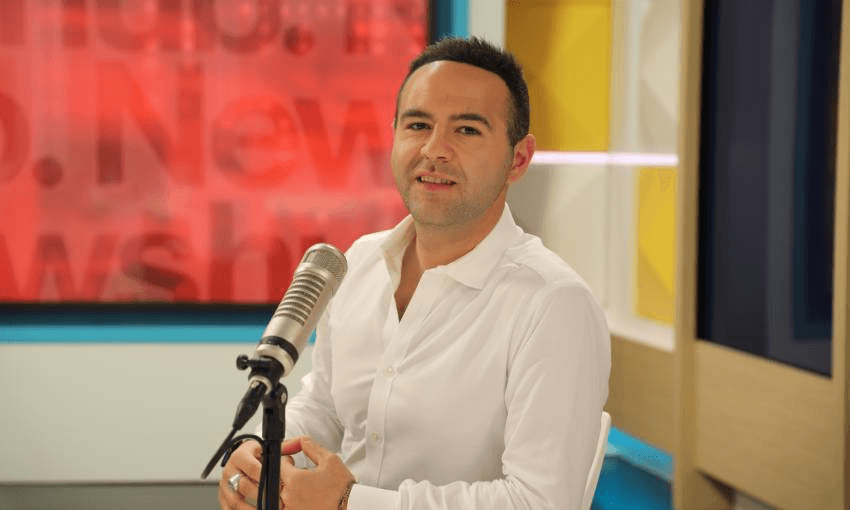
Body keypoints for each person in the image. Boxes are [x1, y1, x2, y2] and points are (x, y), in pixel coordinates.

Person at [218, 36, 611, 510]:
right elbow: (322, 406)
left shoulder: (553, 304)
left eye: (466, 130)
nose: (434, 149)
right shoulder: (360, 262)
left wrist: (349, 502)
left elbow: (540, 501)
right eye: (418, 125)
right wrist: (258, 452)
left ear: (518, 159)